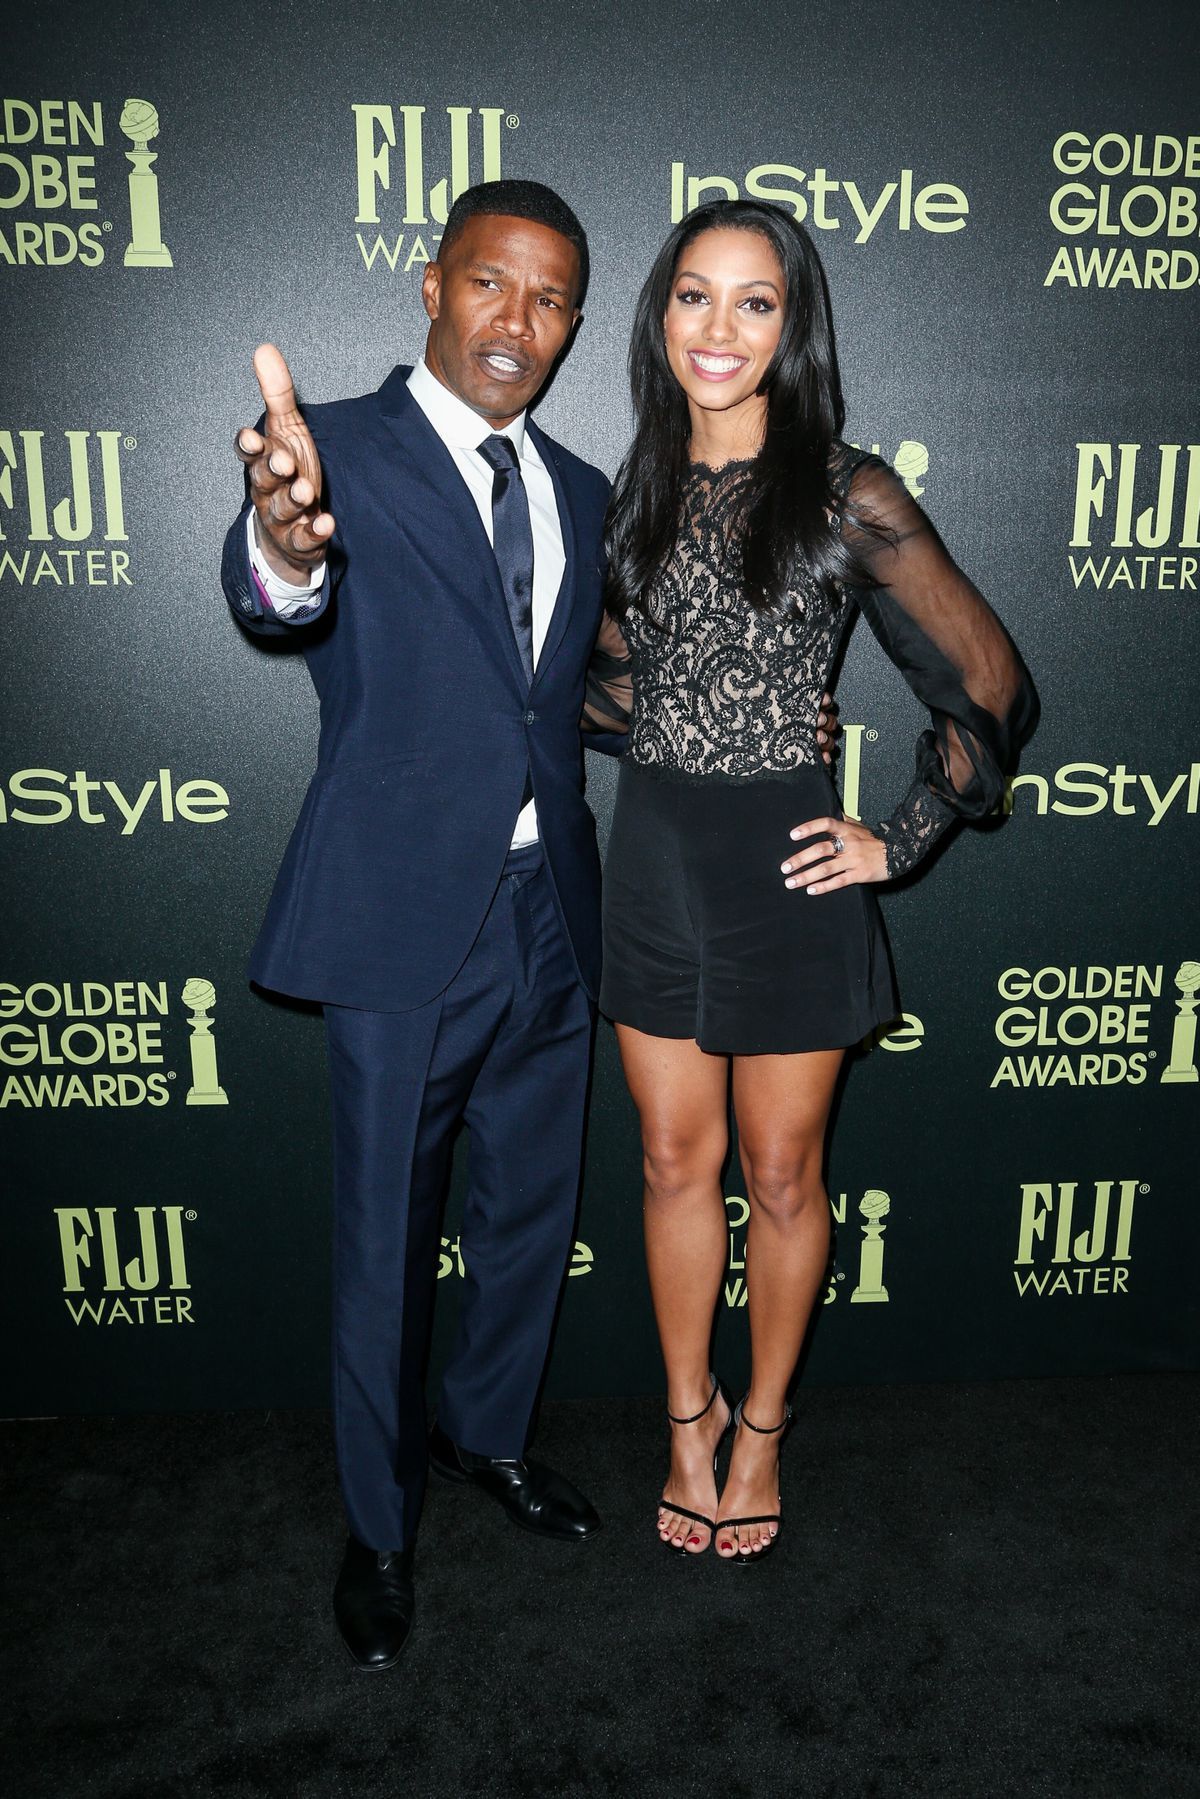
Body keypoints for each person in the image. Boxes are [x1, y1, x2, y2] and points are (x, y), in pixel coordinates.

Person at [222, 180, 623, 1672]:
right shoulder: (331, 447)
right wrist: (285, 541)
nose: (520, 320)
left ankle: (487, 1434)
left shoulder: (582, 487)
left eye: (553, 298)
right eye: (492, 282)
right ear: (433, 284)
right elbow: (277, 587)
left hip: (550, 910)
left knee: (530, 1209)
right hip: (399, 919)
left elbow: (566, 692)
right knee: (386, 1237)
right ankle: (380, 1523)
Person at [599, 200, 1037, 1563]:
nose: (718, 328)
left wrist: (899, 836)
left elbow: (990, 679)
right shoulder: (634, 485)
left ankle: (764, 1429)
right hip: (653, 855)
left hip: (786, 866)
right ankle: (686, 1418)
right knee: (673, 1161)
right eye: (694, 295)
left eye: (756, 302)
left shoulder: (849, 489)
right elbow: (609, 688)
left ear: (794, 328)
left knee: (783, 1175)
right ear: (660, 315)